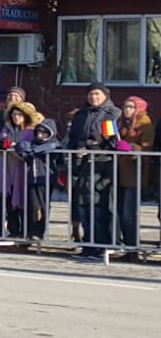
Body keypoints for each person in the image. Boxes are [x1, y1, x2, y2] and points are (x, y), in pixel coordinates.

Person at [66, 84, 123, 257]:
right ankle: (88, 244)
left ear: (105, 95)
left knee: (100, 207)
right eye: (90, 94)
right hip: (83, 164)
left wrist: (93, 145)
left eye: (97, 94)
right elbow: (73, 138)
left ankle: (102, 244)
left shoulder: (113, 113)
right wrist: (77, 151)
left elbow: (112, 140)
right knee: (83, 206)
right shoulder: (81, 114)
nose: (93, 97)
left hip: (103, 164)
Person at [0, 101, 42, 240]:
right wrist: (0, 146)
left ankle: (26, 235)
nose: (16, 117)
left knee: (25, 206)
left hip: (24, 174)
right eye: (14, 114)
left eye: (19, 114)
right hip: (7, 174)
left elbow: (28, 154)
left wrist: (12, 148)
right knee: (9, 206)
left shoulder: (31, 131)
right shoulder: (6, 129)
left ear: (26, 116)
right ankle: (13, 234)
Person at [113, 96, 153, 259]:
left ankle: (133, 249)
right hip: (120, 172)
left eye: (131, 107)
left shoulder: (145, 124)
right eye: (125, 107)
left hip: (134, 174)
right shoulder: (121, 123)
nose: (127, 110)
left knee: (129, 214)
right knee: (120, 213)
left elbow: (147, 148)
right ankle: (128, 248)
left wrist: (131, 147)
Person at [18, 118, 59, 242]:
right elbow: (22, 145)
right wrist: (23, 149)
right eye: (38, 132)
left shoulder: (54, 143)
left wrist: (33, 151)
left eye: (43, 133)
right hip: (32, 179)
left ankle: (39, 231)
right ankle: (31, 231)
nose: (40, 135)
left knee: (43, 206)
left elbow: (50, 147)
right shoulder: (33, 143)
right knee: (32, 206)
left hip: (46, 180)